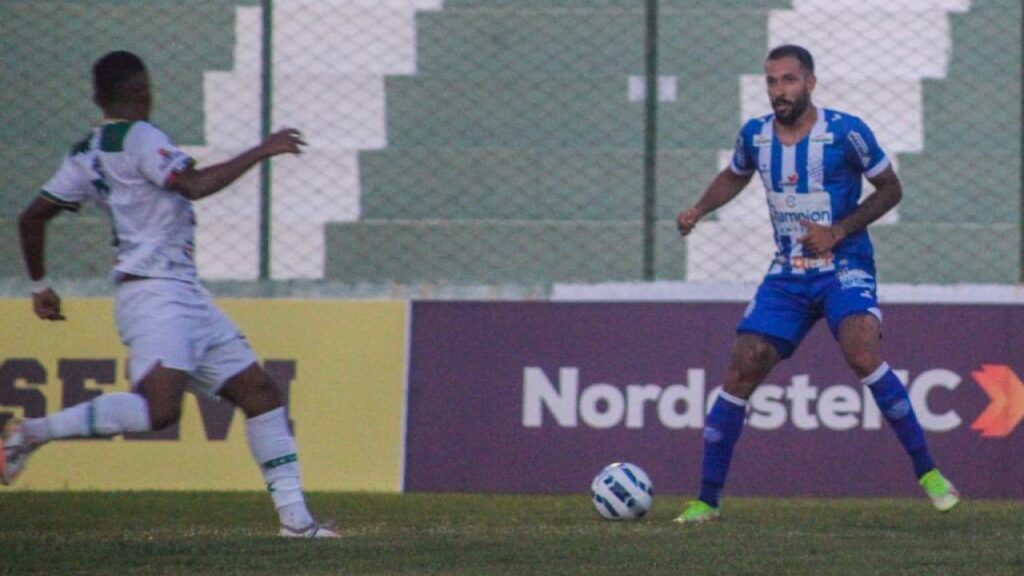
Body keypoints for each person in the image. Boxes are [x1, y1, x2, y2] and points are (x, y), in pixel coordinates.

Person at [1, 51, 338, 538]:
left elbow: (32, 216)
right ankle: (30, 434)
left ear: (97, 97)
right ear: (142, 91)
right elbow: (194, 184)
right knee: (160, 410)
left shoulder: (84, 153)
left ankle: (297, 524)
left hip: (180, 293)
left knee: (260, 394)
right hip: (157, 295)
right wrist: (262, 149)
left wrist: (39, 286)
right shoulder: (142, 137)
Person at [673, 45, 959, 523]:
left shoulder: (846, 133)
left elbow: (892, 189)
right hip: (788, 273)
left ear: (809, 83)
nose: (778, 91)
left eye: (788, 80)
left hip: (844, 264)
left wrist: (839, 231)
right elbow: (735, 173)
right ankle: (706, 500)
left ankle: (928, 472)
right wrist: (699, 209)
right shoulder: (756, 136)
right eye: (771, 82)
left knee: (862, 351)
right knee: (743, 367)